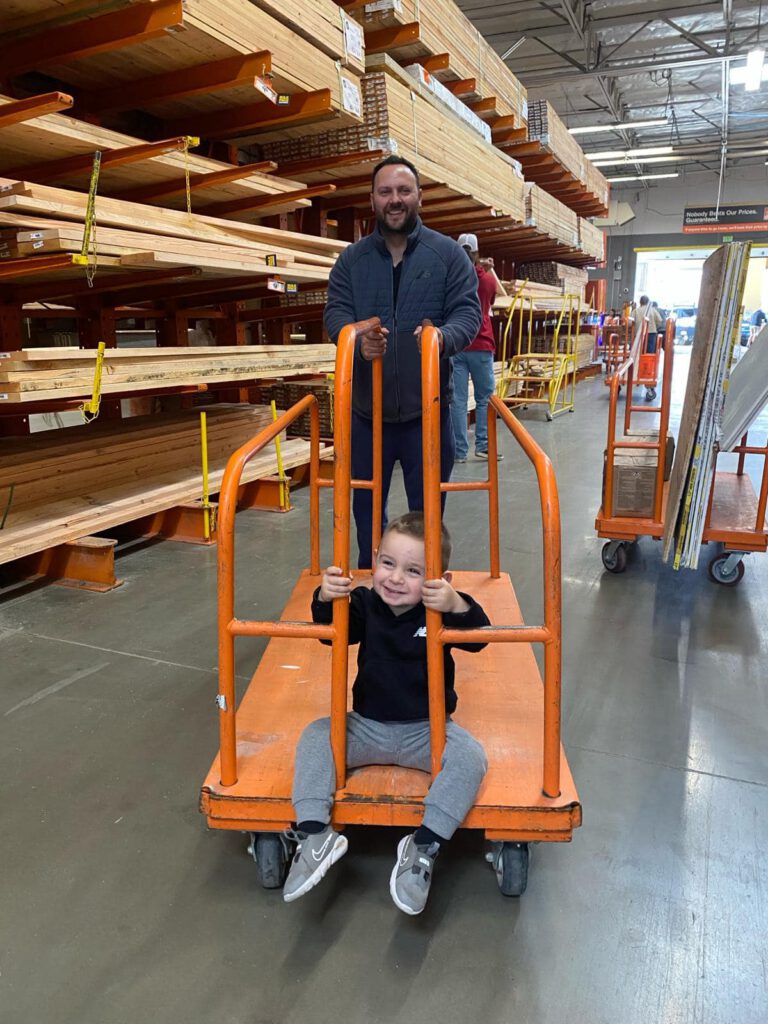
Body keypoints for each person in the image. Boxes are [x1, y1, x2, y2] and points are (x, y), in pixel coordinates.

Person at [283, 512, 489, 915]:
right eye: (388, 563)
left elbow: (480, 637)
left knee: (471, 757)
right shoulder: (364, 603)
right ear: (374, 559)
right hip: (367, 727)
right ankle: (313, 834)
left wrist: (457, 602)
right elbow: (329, 631)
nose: (395, 578)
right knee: (315, 736)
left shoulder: (438, 608)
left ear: (440, 579)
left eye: (414, 571)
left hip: (426, 731)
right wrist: (325, 596)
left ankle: (423, 844)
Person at [324, 156, 482, 569]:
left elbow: (468, 314)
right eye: (386, 192)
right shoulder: (351, 262)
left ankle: (421, 603)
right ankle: (370, 604)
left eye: (404, 191)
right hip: (365, 415)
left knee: (427, 518)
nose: (395, 200)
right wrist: (357, 341)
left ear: (419, 197)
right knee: (364, 517)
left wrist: (441, 339)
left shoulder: (448, 255)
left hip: (426, 414)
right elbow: (335, 314)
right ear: (373, 199)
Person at [450, 233, 507, 463]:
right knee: (484, 398)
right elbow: (490, 303)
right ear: (476, 253)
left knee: (458, 400)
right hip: (481, 343)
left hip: (458, 343)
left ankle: (459, 451)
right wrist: (483, 267)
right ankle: (482, 446)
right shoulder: (487, 280)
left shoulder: (451, 279)